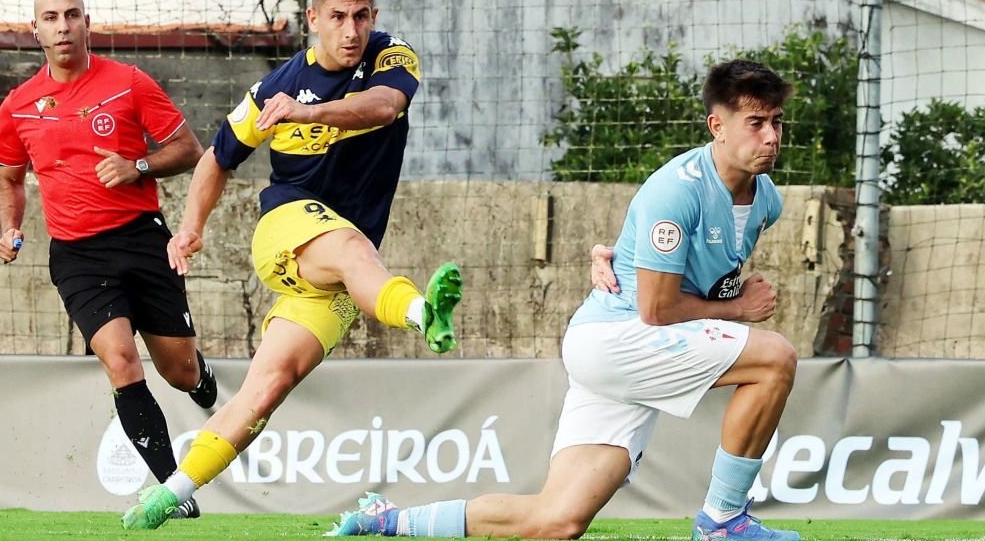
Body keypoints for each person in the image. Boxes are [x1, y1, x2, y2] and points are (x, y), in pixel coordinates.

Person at [328, 59, 801, 540]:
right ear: (717, 127)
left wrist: (620, 256)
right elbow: (656, 309)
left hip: (619, 345)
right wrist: (736, 309)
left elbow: (687, 264)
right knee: (774, 359)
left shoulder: (766, 200)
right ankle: (723, 521)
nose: (771, 136)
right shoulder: (676, 190)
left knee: (557, 520)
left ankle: (390, 520)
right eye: (755, 122)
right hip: (622, 338)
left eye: (777, 121)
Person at [120, 0, 463, 530]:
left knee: (266, 389)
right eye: (336, 17)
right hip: (286, 228)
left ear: (373, 17)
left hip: (338, 272)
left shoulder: (392, 56)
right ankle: (425, 313)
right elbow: (217, 158)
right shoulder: (274, 88)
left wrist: (311, 114)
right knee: (354, 248)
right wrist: (190, 226)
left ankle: (170, 491)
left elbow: (384, 107)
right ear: (312, 19)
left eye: (360, 17)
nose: (350, 30)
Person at [0, 0, 218, 519]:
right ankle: (172, 491)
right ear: (36, 31)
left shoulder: (127, 83)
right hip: (77, 256)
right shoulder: (19, 106)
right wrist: (11, 228)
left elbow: (189, 150)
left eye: (72, 15)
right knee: (120, 360)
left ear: (88, 23)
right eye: (51, 17)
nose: (62, 26)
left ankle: (201, 378)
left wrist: (136, 165)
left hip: (141, 238)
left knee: (179, 373)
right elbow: (8, 178)